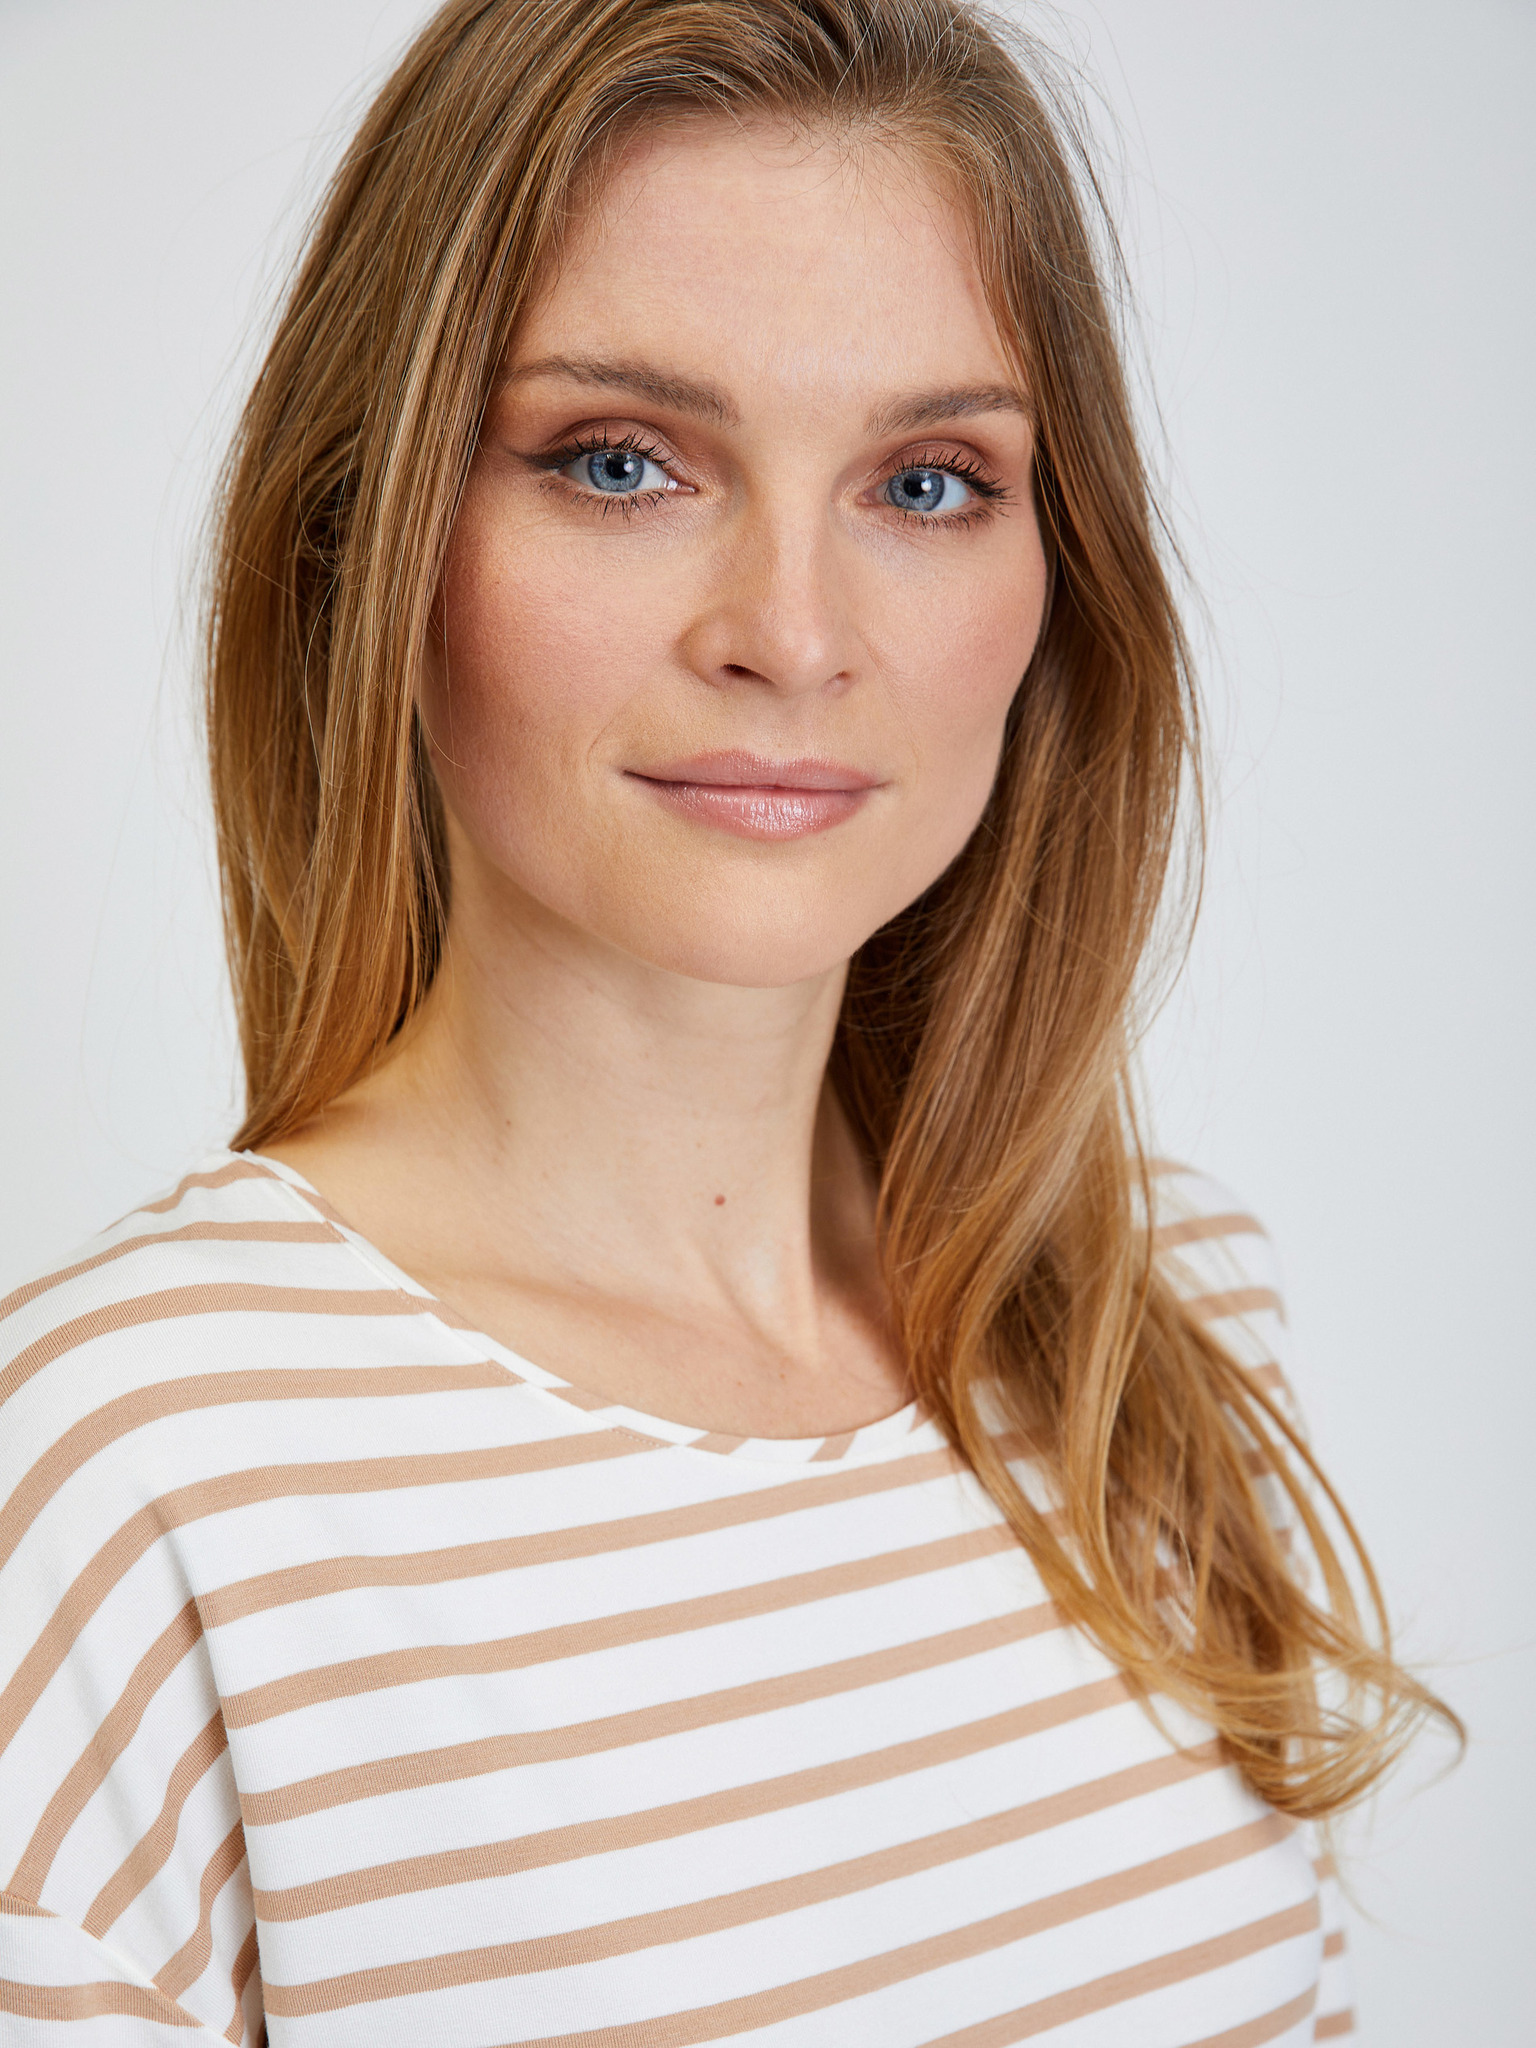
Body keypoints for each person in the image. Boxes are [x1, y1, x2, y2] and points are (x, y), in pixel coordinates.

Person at [0, 2, 1457, 2041]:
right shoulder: (120, 1479)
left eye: (926, 483)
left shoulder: (1160, 1326)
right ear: (370, 533)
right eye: (622, 462)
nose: (790, 632)